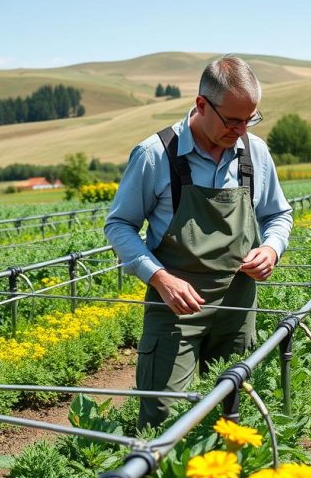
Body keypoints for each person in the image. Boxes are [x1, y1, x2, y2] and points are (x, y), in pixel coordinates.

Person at [104, 55, 293, 428]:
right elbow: (120, 225)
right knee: (162, 417)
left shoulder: (255, 153)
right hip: (175, 308)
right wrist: (160, 278)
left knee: (231, 414)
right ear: (201, 105)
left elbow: (278, 215)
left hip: (237, 307)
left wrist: (271, 247)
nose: (241, 130)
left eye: (250, 119)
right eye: (233, 120)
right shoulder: (155, 155)